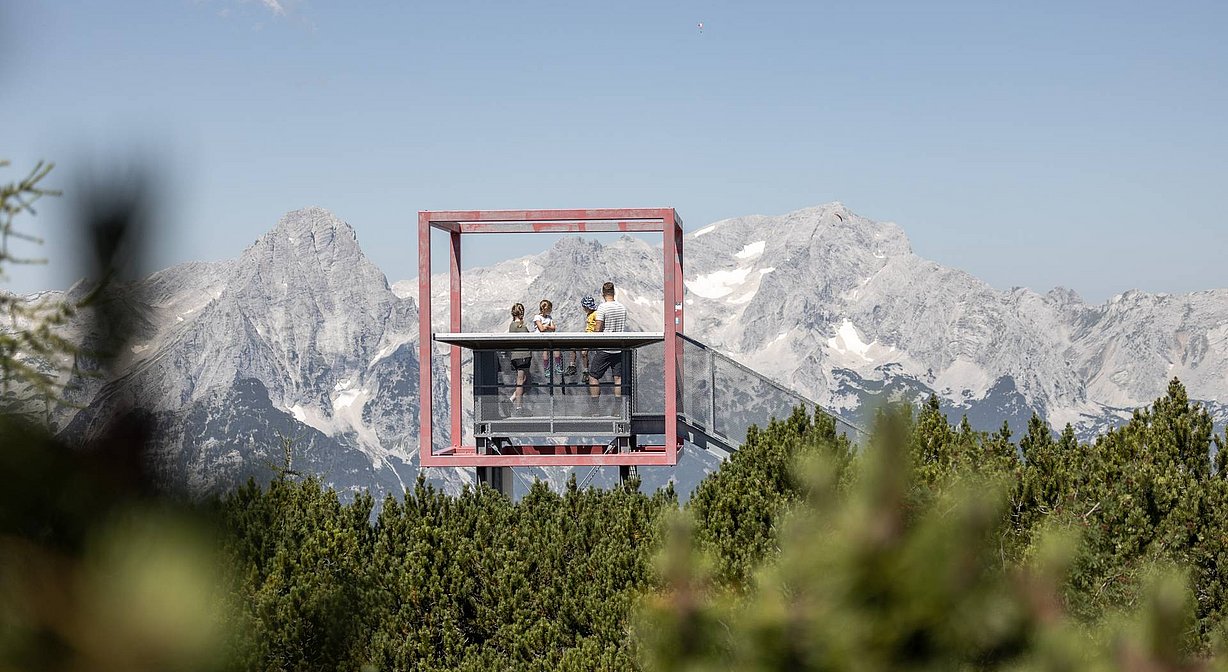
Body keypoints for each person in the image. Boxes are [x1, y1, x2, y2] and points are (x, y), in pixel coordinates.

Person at [588, 282, 628, 399]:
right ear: (614, 292)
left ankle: (595, 408)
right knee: (618, 378)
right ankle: (618, 409)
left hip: (605, 348)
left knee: (593, 376)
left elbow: (598, 327)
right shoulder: (622, 307)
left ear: (603, 293)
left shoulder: (602, 308)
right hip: (619, 347)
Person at [507, 303, 531, 409]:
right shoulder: (520, 326)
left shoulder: (512, 326)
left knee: (526, 381)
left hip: (516, 357)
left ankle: (513, 398)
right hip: (523, 356)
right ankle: (518, 407)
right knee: (521, 381)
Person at [567, 296, 598, 377]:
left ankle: (586, 371)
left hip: (591, 336)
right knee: (574, 347)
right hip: (587, 335)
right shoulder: (589, 314)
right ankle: (572, 366)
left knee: (584, 352)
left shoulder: (595, 314)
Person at [532, 299, 563, 376]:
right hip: (541, 338)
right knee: (545, 352)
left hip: (548, 337)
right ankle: (546, 369)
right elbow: (541, 329)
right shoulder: (537, 317)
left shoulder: (549, 317)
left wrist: (546, 326)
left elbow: (553, 328)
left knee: (556, 349)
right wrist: (547, 327)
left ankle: (557, 366)